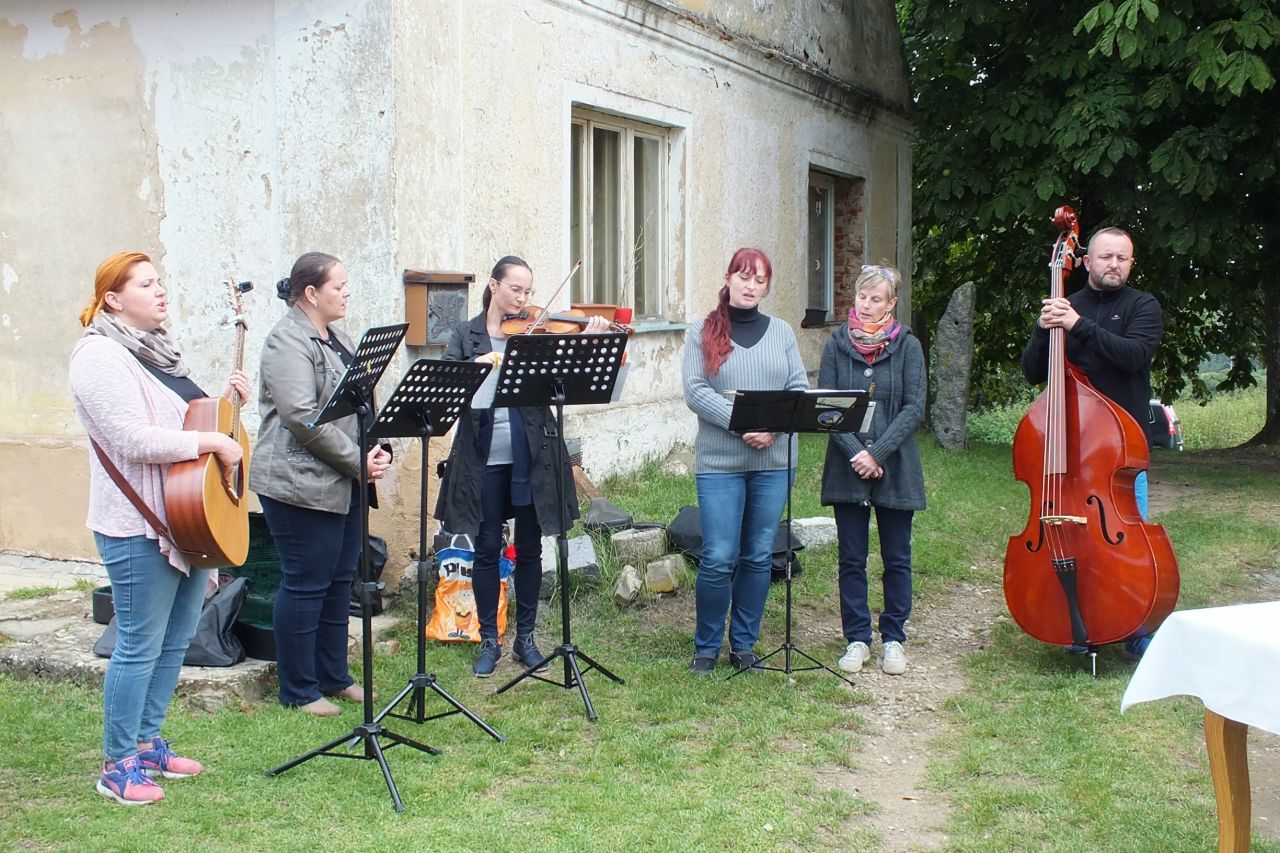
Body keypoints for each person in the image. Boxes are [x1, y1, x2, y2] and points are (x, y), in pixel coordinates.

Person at [71, 252, 248, 804]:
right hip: (137, 524)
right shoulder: (99, 356)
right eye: (147, 284)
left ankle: (147, 743)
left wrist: (226, 406)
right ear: (113, 298)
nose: (161, 291)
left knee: (175, 640)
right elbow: (132, 439)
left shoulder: (156, 353)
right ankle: (117, 763)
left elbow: (181, 422)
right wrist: (213, 441)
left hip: (185, 519)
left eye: (160, 281)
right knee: (138, 644)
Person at [436, 255, 608, 677]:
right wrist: (473, 369)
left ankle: (525, 639)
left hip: (531, 456)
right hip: (482, 459)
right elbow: (447, 387)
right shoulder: (465, 335)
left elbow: (566, 378)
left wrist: (589, 340)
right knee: (486, 548)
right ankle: (489, 640)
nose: (523, 299)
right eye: (516, 289)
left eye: (529, 291)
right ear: (494, 286)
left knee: (530, 548)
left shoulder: (536, 335)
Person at [250, 252, 391, 715]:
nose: (347, 293)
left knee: (338, 581)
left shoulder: (340, 339)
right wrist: (356, 461)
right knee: (306, 582)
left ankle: (333, 675)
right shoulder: (287, 340)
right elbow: (300, 416)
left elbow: (357, 406)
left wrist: (377, 447)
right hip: (298, 482)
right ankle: (298, 688)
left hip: (343, 479)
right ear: (311, 293)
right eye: (339, 286)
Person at [1021, 226, 1164, 655]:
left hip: (1119, 452)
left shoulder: (1142, 306)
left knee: (1128, 544)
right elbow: (1032, 373)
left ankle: (1136, 629)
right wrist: (1043, 329)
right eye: (1105, 257)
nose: (1114, 264)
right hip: (1066, 446)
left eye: (1122, 258)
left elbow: (1132, 356)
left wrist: (1077, 325)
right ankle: (1075, 620)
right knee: (1071, 538)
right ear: (1085, 261)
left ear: (1131, 263)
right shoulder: (1067, 305)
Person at [682, 247, 807, 675]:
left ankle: (744, 646)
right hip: (720, 462)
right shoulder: (701, 330)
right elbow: (696, 391)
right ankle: (706, 647)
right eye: (743, 276)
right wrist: (743, 424)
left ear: (767, 286)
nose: (751, 286)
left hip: (774, 459)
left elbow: (797, 389)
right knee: (719, 555)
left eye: (759, 280)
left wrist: (772, 428)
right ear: (728, 278)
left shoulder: (783, 332)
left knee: (758, 554)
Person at [818, 265, 926, 676]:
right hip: (847, 466)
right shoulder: (836, 344)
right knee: (851, 557)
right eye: (862, 297)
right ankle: (857, 638)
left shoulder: (908, 346)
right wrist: (857, 454)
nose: (866, 305)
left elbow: (913, 408)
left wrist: (877, 454)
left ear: (891, 303)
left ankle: (894, 638)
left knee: (896, 557)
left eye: (875, 299)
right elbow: (827, 405)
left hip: (896, 465)